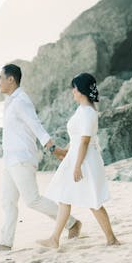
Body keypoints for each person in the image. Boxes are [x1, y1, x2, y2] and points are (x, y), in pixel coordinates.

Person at [0, 64, 82, 253]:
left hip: (22, 158)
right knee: (7, 202)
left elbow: (36, 126)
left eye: (0, 77)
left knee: (32, 200)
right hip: (10, 160)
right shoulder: (11, 101)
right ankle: (5, 243)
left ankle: (72, 224)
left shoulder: (21, 101)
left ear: (11, 79)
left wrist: (53, 148)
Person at [37, 73, 119, 249]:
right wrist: (65, 152)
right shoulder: (81, 110)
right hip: (75, 157)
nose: (72, 91)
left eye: (74, 87)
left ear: (81, 90)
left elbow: (85, 141)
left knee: (93, 202)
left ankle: (112, 239)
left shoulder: (89, 113)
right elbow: (76, 138)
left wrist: (77, 166)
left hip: (85, 162)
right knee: (64, 197)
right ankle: (54, 239)